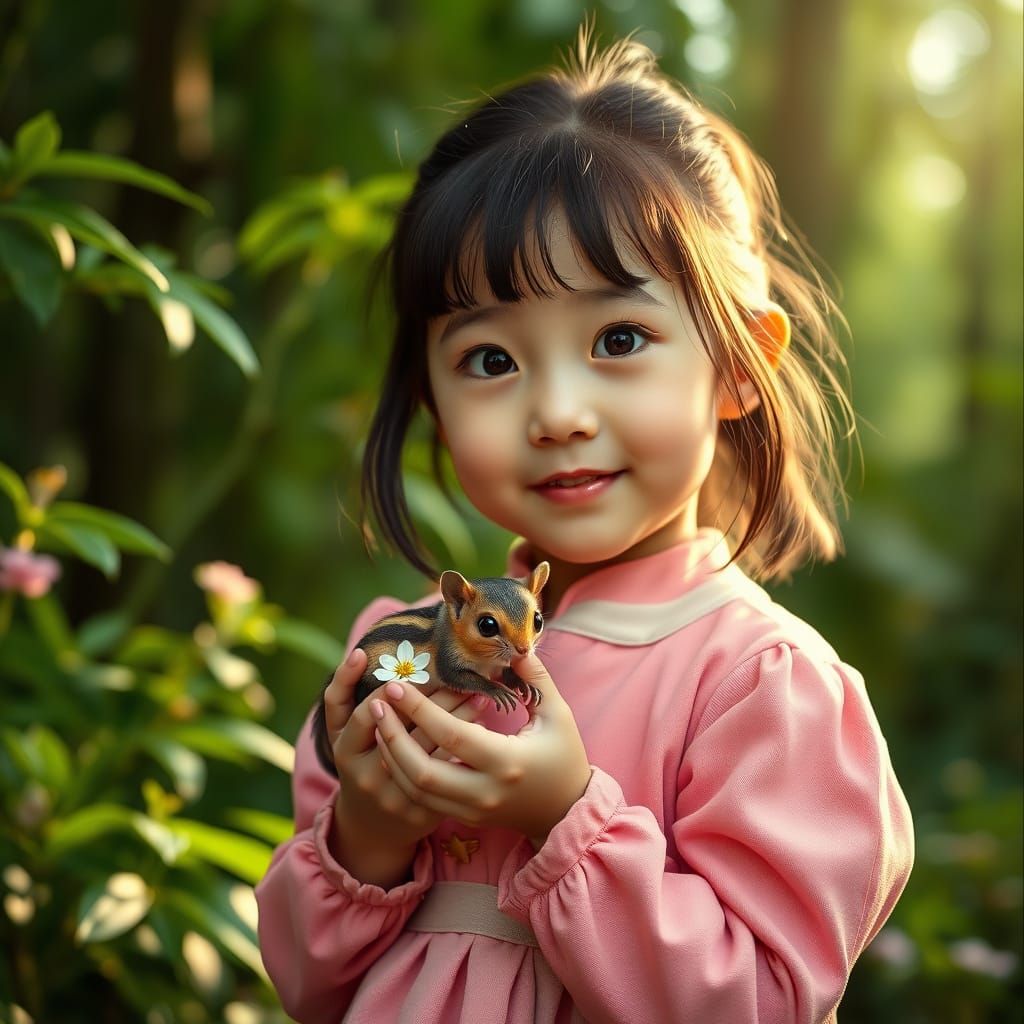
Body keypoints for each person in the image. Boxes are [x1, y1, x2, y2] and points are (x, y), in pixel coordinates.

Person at [255, 24, 914, 1024]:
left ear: (741, 365)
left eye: (617, 338)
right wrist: (369, 835)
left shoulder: (757, 684)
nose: (556, 410)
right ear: (429, 395)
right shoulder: (398, 660)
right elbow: (307, 986)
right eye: (489, 359)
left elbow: (766, 999)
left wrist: (566, 818)